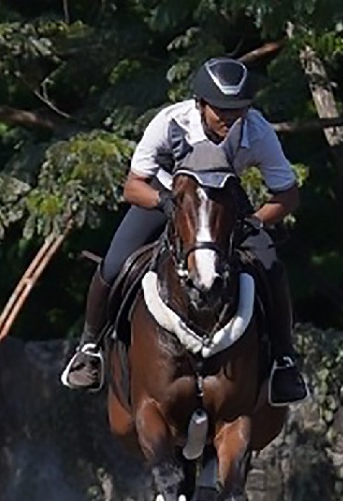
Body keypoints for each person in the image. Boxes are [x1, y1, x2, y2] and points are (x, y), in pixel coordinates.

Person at [60, 56, 309, 406]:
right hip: (166, 195)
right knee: (116, 264)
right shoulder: (170, 122)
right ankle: (89, 349)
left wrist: (255, 222)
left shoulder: (256, 130)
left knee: (270, 265)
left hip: (225, 200)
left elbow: (288, 193)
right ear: (201, 103)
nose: (228, 117)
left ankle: (285, 359)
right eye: (220, 109)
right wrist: (165, 204)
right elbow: (133, 186)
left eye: (236, 109)